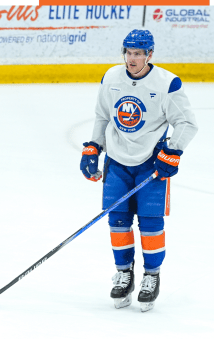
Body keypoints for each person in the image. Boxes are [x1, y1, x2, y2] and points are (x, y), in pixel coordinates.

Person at [79, 29, 198, 312]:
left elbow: (187, 124)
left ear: (150, 55)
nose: (131, 59)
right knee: (117, 221)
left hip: (150, 166)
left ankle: (151, 277)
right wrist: (94, 146)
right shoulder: (111, 78)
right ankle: (124, 273)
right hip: (118, 163)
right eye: (128, 53)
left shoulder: (168, 83)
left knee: (151, 224)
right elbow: (103, 116)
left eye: (138, 54)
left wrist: (173, 151)